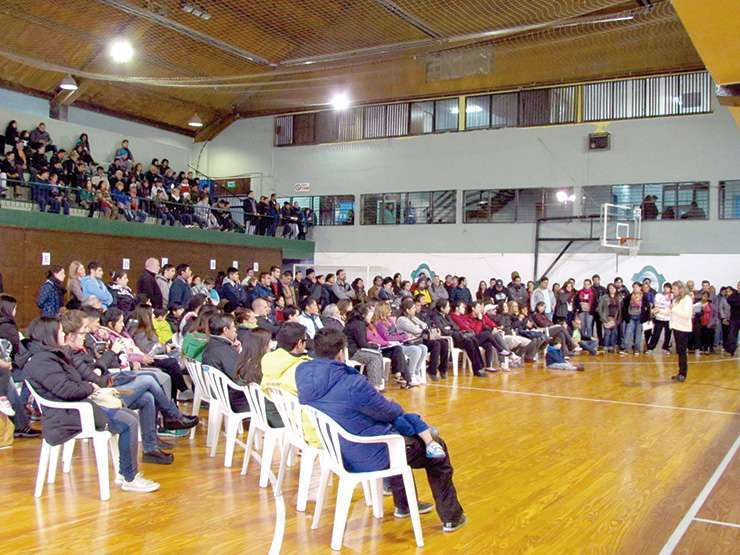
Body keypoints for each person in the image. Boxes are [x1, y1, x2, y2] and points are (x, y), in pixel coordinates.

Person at [296, 329, 466, 532]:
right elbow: (389, 412)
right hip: (366, 453)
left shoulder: (302, 373)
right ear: (341, 353)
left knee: (394, 437)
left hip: (337, 449)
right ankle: (451, 516)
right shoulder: (352, 383)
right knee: (435, 448)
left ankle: (404, 505)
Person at [23, 316, 160, 493]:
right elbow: (66, 389)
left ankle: (127, 473)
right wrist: (89, 387)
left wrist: (86, 387)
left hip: (74, 409)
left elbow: (70, 384)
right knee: (129, 421)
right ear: (49, 335)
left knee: (130, 414)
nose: (63, 334)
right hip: (68, 416)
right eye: (60, 331)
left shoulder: (48, 357)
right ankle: (130, 477)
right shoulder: (43, 361)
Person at [345, 303, 410, 388]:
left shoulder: (357, 322)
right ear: (364, 314)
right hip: (353, 352)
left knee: (394, 350)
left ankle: (393, 379)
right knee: (375, 357)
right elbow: (363, 344)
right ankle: (374, 385)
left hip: (355, 350)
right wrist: (375, 346)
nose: (371, 317)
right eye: (370, 314)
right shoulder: (359, 324)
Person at [395, 298, 450, 381]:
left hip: (419, 339)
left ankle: (442, 369)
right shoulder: (402, 319)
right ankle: (431, 371)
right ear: (407, 310)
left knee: (444, 343)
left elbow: (425, 325)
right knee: (436, 344)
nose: (415, 309)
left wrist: (421, 327)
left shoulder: (413, 317)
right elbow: (416, 330)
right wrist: (420, 328)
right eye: (413, 308)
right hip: (410, 342)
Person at [670, 281, 694, 382]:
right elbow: (671, 311)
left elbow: (686, 314)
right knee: (679, 352)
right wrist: (659, 310)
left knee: (682, 352)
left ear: (680, 289)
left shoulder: (687, 299)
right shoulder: (676, 300)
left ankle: (683, 373)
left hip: (683, 329)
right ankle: (680, 372)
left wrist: (673, 309)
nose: (672, 291)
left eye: (674, 289)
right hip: (676, 327)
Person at [647, 282, 673, 353]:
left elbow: (672, 307)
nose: (666, 289)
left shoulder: (672, 296)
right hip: (659, 317)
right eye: (665, 287)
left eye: (667, 288)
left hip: (668, 318)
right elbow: (657, 305)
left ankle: (665, 347)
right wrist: (665, 307)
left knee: (668, 334)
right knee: (656, 333)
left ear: (670, 289)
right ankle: (651, 348)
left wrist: (667, 307)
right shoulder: (658, 295)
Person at [597, 283, 622, 352]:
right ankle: (606, 346)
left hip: (615, 318)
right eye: (610, 288)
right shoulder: (604, 297)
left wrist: (618, 319)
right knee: (607, 333)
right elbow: (599, 309)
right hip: (607, 318)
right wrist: (603, 319)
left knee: (614, 333)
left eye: (613, 288)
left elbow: (620, 309)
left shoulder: (619, 297)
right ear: (608, 289)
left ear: (616, 289)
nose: (612, 289)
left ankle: (611, 346)